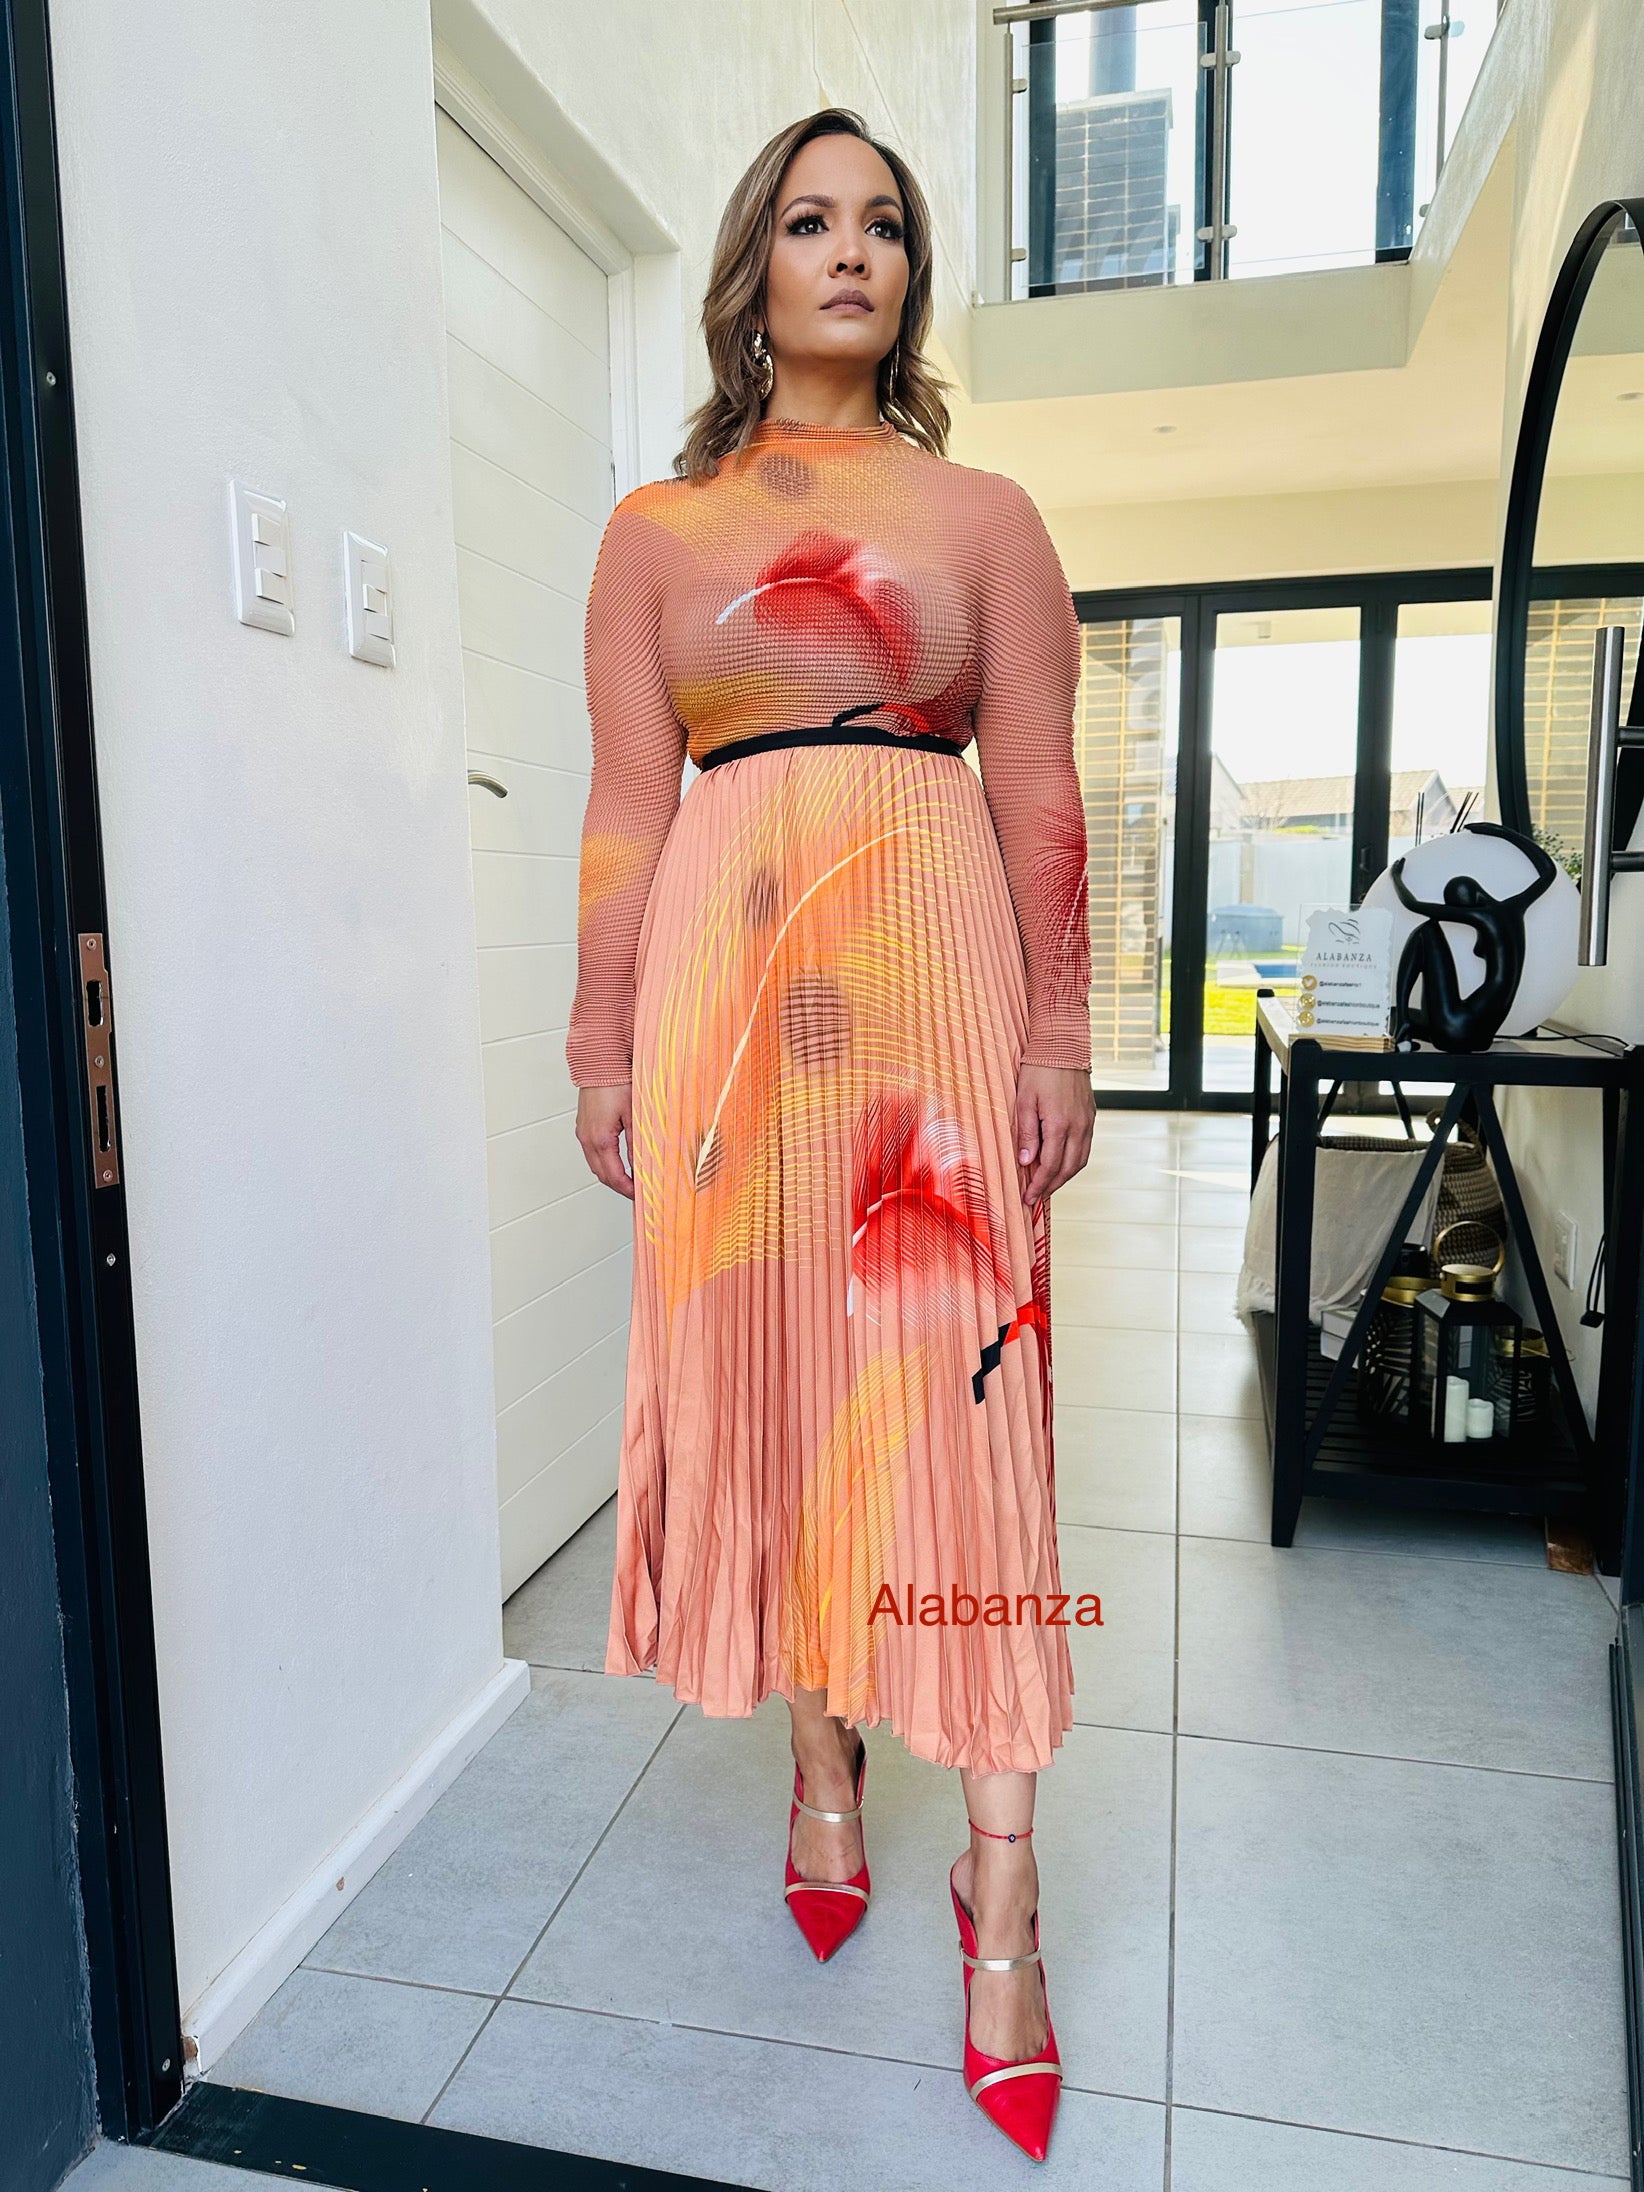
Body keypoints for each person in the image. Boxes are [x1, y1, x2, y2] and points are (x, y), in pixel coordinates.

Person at [567, 106, 1095, 2163]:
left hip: (934, 974)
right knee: (788, 1385)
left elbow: (1037, 789)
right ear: (757, 270)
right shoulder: (656, 532)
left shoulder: (985, 518)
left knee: (964, 1409)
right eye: (811, 220)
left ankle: (1005, 1900)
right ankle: (820, 1768)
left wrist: (1061, 1027)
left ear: (910, 277)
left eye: (883, 224)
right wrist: (598, 1030)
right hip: (727, 998)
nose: (851, 250)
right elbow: (630, 805)